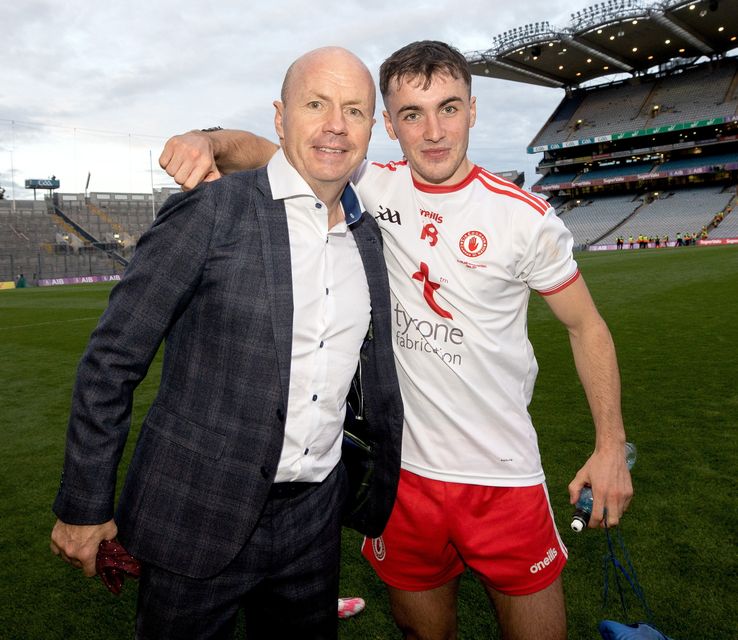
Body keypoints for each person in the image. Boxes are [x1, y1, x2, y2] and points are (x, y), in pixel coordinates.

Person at [160, 40, 633, 640]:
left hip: (503, 478)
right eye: (412, 114)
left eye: (449, 108)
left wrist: (610, 444)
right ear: (389, 123)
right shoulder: (370, 186)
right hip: (402, 478)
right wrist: (207, 139)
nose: (433, 131)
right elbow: (266, 152)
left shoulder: (524, 218)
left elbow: (586, 326)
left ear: (474, 110)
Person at [50, 46, 403, 640]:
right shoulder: (210, 213)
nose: (335, 125)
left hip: (313, 523)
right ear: (279, 116)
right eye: (315, 104)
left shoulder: (368, 238)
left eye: (354, 110)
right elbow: (112, 359)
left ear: (372, 127)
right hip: (196, 509)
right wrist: (85, 504)